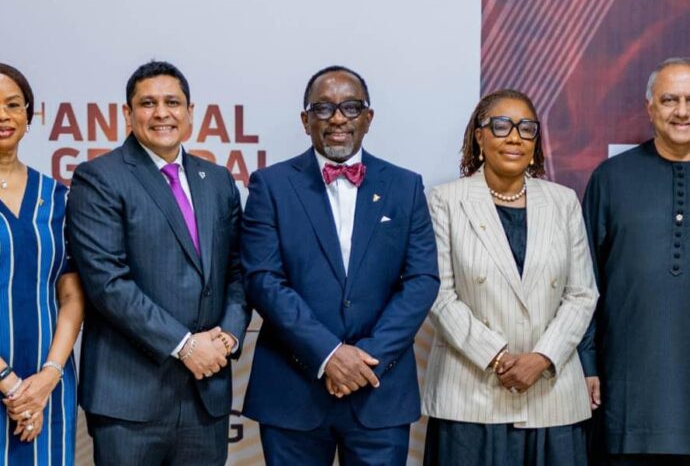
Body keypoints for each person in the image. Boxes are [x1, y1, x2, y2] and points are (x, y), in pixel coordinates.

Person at [241, 65, 440, 465]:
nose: (337, 118)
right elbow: (263, 280)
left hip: (379, 388)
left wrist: (366, 359)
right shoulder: (270, 185)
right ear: (305, 120)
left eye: (351, 107)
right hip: (293, 389)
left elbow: (422, 280)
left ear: (368, 117)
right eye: (323, 108)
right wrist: (329, 354)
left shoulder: (405, 186)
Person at [66, 60, 250, 466]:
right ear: (128, 114)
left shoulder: (218, 180)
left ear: (190, 112)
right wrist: (185, 346)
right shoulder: (99, 178)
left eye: (173, 102)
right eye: (148, 103)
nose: (162, 113)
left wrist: (228, 337)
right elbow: (108, 284)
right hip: (130, 398)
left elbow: (238, 272)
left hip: (206, 394)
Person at [422, 89, 598, 466]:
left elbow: (582, 294)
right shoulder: (445, 201)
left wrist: (541, 357)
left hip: (551, 394)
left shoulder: (564, 202)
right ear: (479, 137)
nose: (515, 137)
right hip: (471, 394)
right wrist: (497, 357)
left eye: (526, 128)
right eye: (501, 126)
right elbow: (438, 293)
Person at [579, 57, 690, 465]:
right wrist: (587, 361)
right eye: (670, 100)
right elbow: (583, 279)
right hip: (630, 395)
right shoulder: (611, 178)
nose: (682, 111)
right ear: (650, 107)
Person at [0, 63, 84, 465]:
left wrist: (49, 376)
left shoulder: (56, 196)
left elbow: (71, 295)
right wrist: (10, 384)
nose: (3, 115)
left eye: (13, 105)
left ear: (28, 116)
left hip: (47, 386)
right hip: (14, 387)